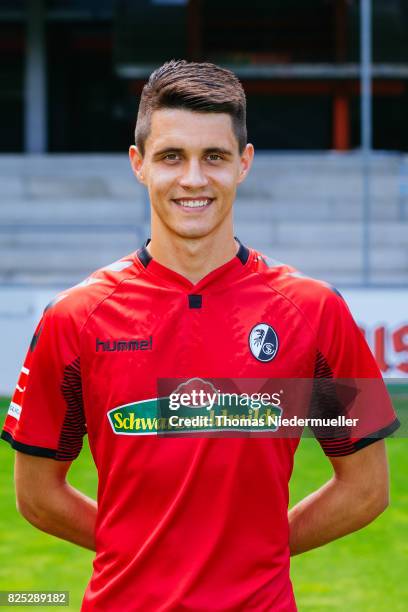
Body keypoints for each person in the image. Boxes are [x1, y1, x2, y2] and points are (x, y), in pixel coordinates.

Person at [1, 60, 399, 611]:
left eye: (214, 156)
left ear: (244, 163)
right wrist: (148, 551)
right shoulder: (76, 317)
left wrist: (249, 553)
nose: (193, 179)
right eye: (171, 156)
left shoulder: (314, 312)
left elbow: (365, 488)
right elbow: (37, 494)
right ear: (139, 164)